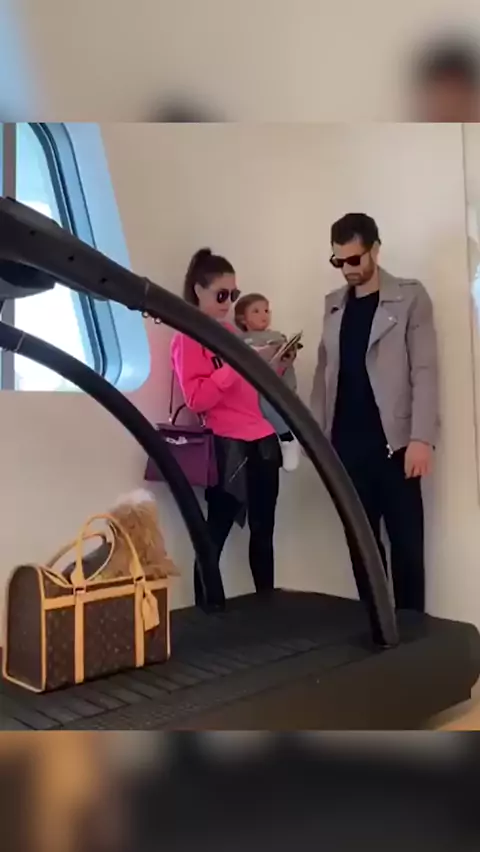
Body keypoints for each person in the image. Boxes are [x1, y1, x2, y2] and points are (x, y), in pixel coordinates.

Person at [311, 213, 439, 612]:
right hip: (345, 448)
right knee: (362, 552)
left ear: (375, 249)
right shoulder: (334, 305)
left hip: (395, 446)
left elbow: (425, 370)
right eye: (339, 261)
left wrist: (421, 438)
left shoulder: (410, 297)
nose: (347, 269)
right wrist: (316, 440)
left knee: (407, 548)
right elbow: (324, 374)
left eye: (354, 259)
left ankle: (414, 635)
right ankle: (377, 634)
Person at [171, 248, 282, 607]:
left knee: (263, 533)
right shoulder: (187, 337)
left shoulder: (233, 333)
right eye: (222, 295)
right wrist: (233, 367)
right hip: (227, 446)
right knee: (213, 535)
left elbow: (247, 393)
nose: (229, 303)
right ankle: (207, 615)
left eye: (234, 295)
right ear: (198, 290)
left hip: (261, 440)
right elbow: (196, 399)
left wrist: (274, 365)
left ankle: (267, 610)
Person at [234, 292, 301, 472]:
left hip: (277, 385)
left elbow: (283, 365)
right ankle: (284, 436)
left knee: (269, 403)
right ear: (242, 319)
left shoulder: (277, 336)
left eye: (266, 310)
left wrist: (287, 354)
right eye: (256, 311)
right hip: (254, 389)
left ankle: (287, 437)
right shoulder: (239, 341)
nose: (263, 315)